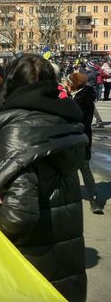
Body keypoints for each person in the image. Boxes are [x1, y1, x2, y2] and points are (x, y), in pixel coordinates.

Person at [0, 55, 88, 301]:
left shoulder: (20, 129)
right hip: (60, 259)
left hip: (24, 266)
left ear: (11, 83)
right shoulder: (65, 119)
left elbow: (18, 214)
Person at [67, 72, 104, 214]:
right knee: (80, 168)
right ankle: (92, 199)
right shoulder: (80, 96)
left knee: (81, 167)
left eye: (68, 82)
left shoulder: (81, 98)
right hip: (81, 136)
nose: (66, 84)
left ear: (73, 84)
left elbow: (78, 119)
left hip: (79, 137)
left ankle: (93, 200)